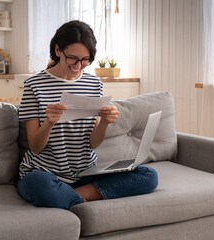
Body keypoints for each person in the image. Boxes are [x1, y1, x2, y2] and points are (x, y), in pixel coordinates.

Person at [17, 20, 158, 209]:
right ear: (58, 50)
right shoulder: (34, 85)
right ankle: (81, 199)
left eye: (85, 60)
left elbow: (93, 144)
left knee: (148, 176)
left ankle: (72, 198)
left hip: (85, 174)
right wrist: (49, 123)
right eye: (72, 58)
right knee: (39, 184)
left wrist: (105, 123)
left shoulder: (94, 84)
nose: (78, 65)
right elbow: (35, 147)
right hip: (44, 173)